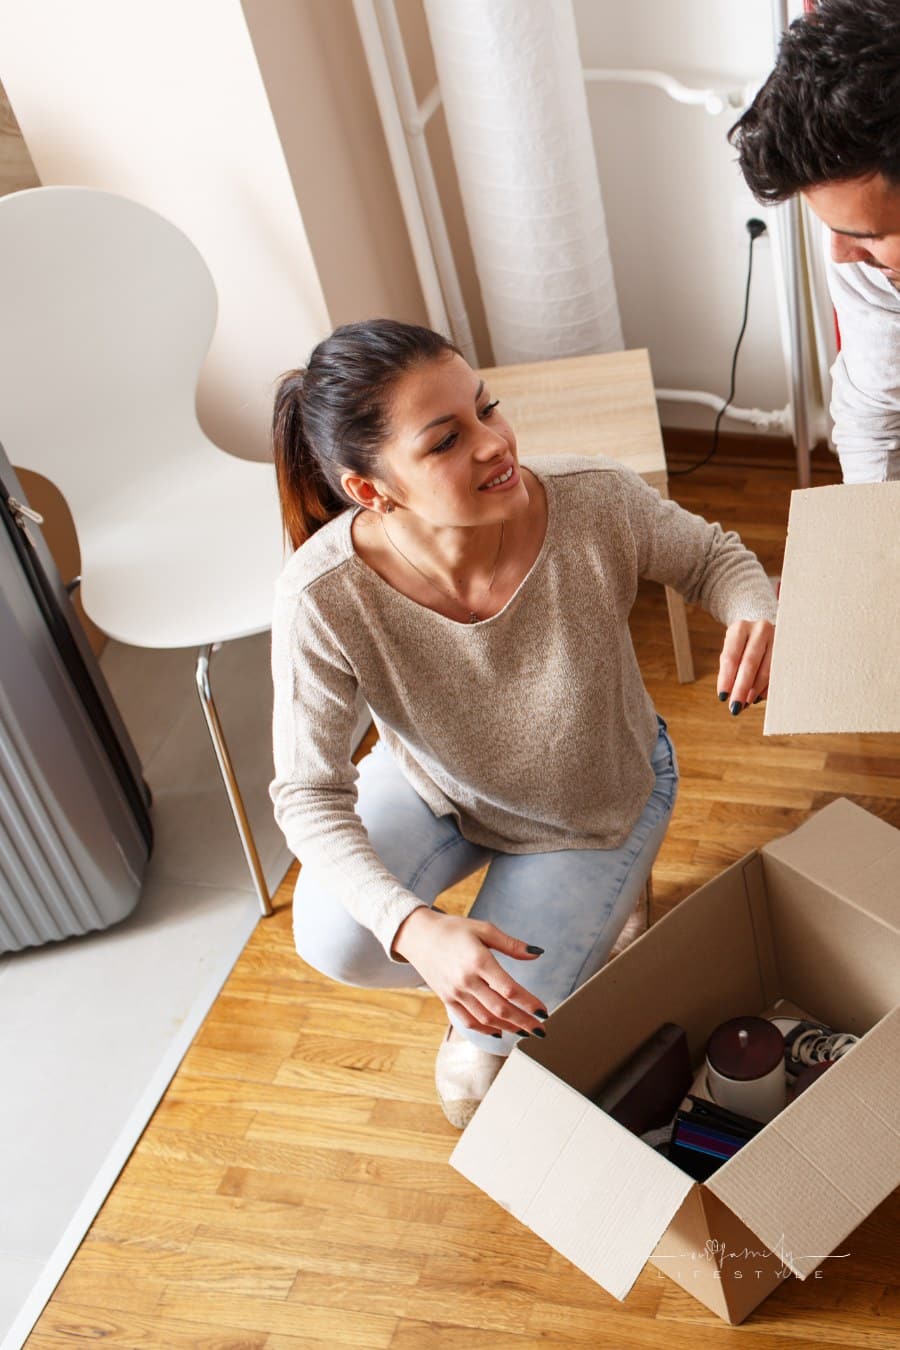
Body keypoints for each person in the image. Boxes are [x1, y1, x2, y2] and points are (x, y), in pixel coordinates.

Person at [268, 319, 777, 1129]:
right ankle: (526, 960)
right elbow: (306, 795)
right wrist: (419, 933)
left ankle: (585, 924)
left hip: (592, 804)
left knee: (479, 1079)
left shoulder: (592, 499)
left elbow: (712, 556)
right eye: (445, 441)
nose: (495, 443)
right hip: (439, 788)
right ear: (371, 490)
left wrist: (756, 607)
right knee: (340, 940)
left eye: (487, 408)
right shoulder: (322, 595)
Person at [729, 0, 900, 485]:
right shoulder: (867, 265)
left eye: (868, 235)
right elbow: (874, 416)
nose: (841, 255)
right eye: (834, 229)